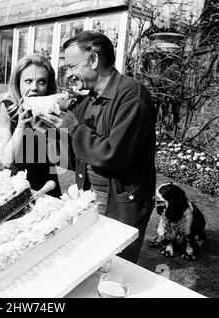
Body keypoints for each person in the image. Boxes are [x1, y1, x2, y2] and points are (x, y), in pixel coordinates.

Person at [42, 31, 156, 263]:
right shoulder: (90, 100)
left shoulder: (132, 96)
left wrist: (74, 127)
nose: (70, 74)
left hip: (120, 203)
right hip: (90, 197)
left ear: (93, 60)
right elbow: (74, 157)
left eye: (72, 66)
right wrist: (49, 130)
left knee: (113, 267)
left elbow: (112, 155)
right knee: (88, 263)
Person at [0, 53, 61, 198]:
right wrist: (20, 126)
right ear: (17, 83)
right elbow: (6, 160)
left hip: (47, 186)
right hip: (16, 186)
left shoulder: (54, 112)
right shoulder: (7, 107)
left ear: (48, 85)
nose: (35, 88)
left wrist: (48, 128)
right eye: (28, 81)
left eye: (41, 82)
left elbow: (60, 157)